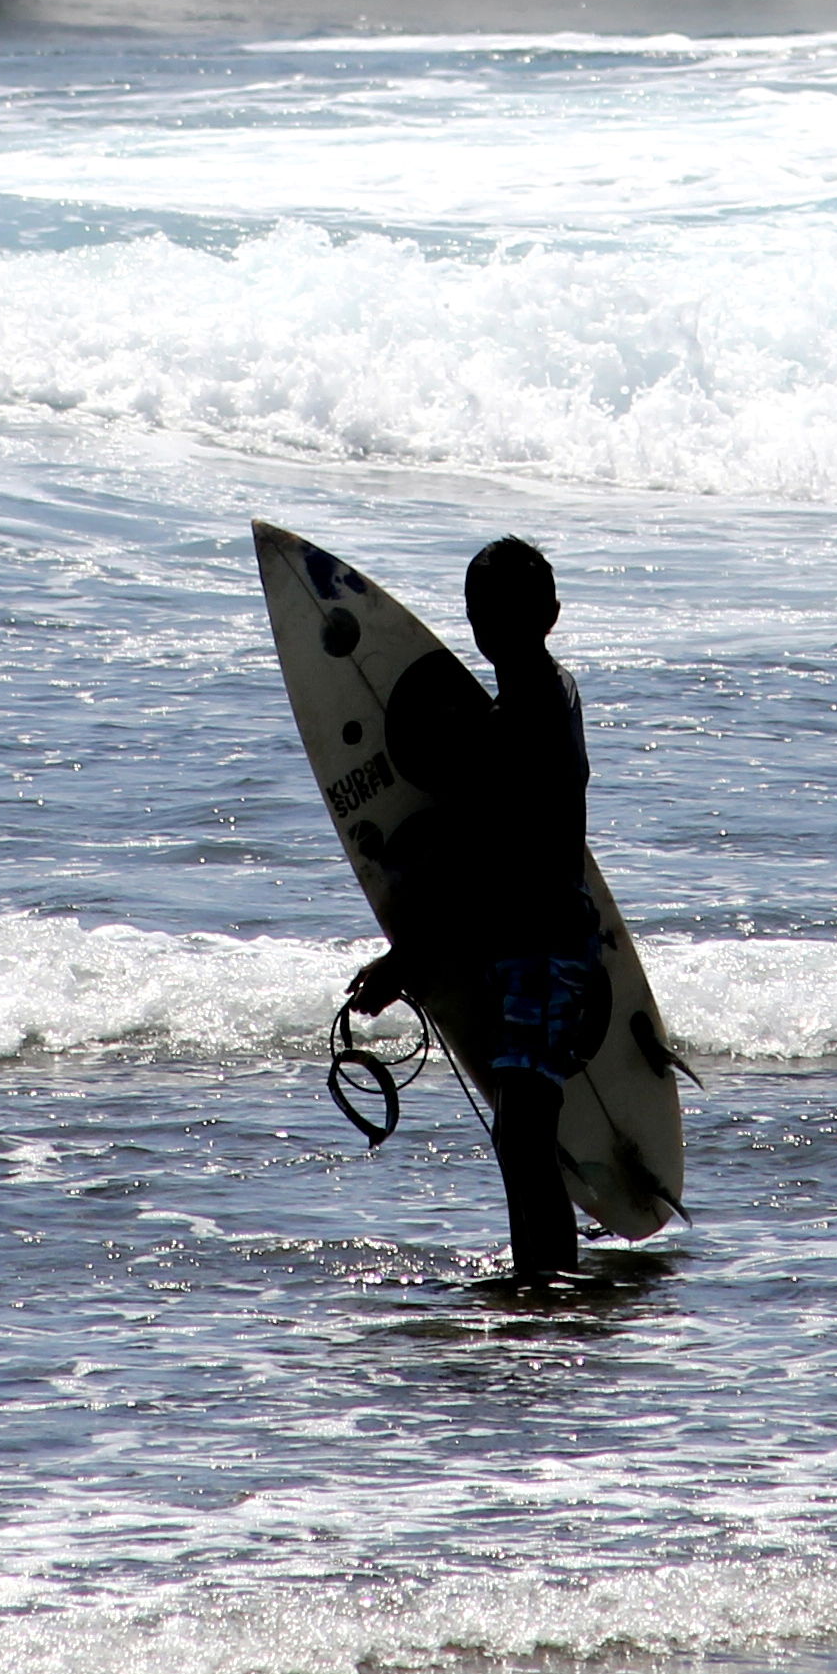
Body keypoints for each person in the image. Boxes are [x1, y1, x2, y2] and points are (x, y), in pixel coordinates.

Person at [343, 536, 608, 1285]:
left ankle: (546, 1292)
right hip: (533, 944)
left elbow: (484, 870)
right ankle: (542, 1283)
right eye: (478, 610)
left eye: (495, 611)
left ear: (547, 616)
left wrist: (407, 962)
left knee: (524, 1132)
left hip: (546, 952)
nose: (486, 626)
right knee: (520, 1132)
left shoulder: (521, 723)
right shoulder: (546, 694)